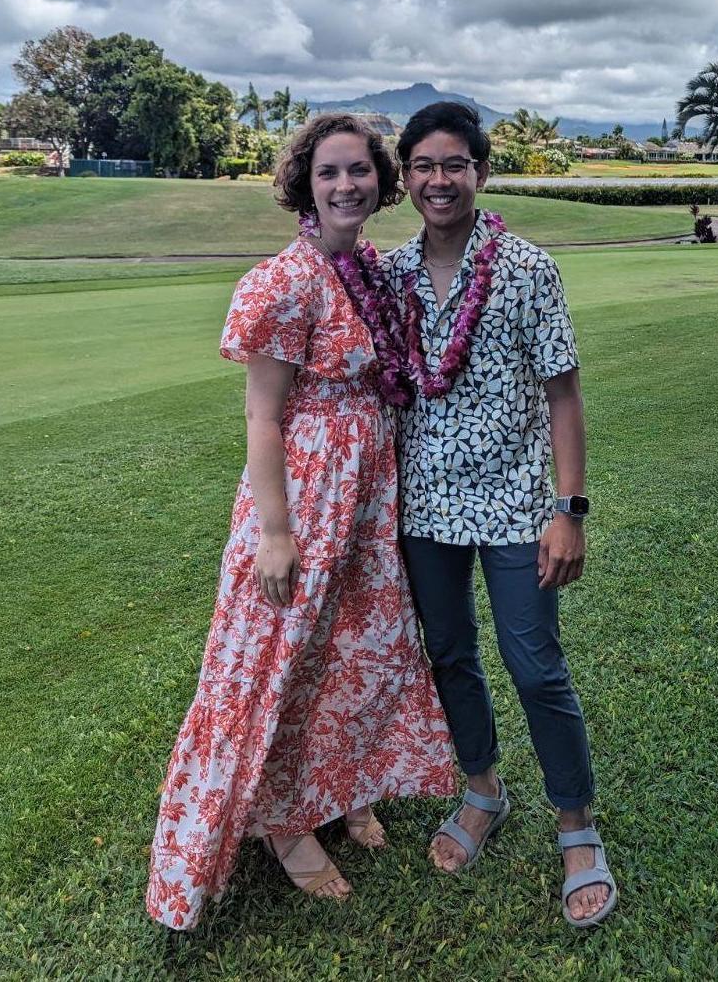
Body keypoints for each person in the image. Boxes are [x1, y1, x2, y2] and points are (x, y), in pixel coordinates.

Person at [146, 114, 455, 930]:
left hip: (368, 493)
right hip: (309, 492)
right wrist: (275, 534)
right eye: (328, 173)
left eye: (359, 170)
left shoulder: (368, 270)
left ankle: (342, 787)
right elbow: (261, 416)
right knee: (285, 655)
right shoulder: (284, 282)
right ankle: (283, 825)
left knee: (356, 645)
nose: (345, 185)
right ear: (303, 186)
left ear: (380, 182)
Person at [383, 101, 617, 929]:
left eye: (454, 164)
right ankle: (482, 789)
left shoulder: (526, 268)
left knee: (535, 666)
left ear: (480, 172)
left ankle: (576, 825)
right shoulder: (391, 273)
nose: (439, 180)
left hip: (518, 503)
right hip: (424, 504)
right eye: (423, 165)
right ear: (405, 177)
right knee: (449, 655)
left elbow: (563, 394)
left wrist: (569, 510)